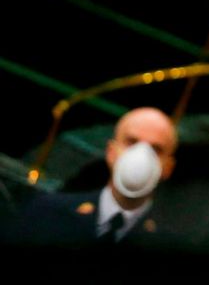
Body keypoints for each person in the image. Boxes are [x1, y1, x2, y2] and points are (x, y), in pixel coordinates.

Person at [4, 106, 178, 247]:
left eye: (156, 149)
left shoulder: (171, 246)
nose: (141, 156)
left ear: (168, 168)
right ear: (111, 152)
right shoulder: (47, 213)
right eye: (131, 142)